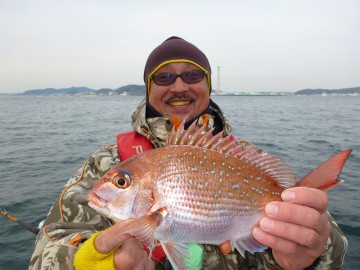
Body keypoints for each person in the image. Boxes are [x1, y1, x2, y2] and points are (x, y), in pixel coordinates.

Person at [29, 36, 347, 270]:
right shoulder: (108, 163)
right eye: (164, 77)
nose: (179, 85)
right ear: (148, 88)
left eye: (192, 75)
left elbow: (333, 249)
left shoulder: (243, 157)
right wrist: (90, 259)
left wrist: (312, 254)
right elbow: (47, 247)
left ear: (208, 84)